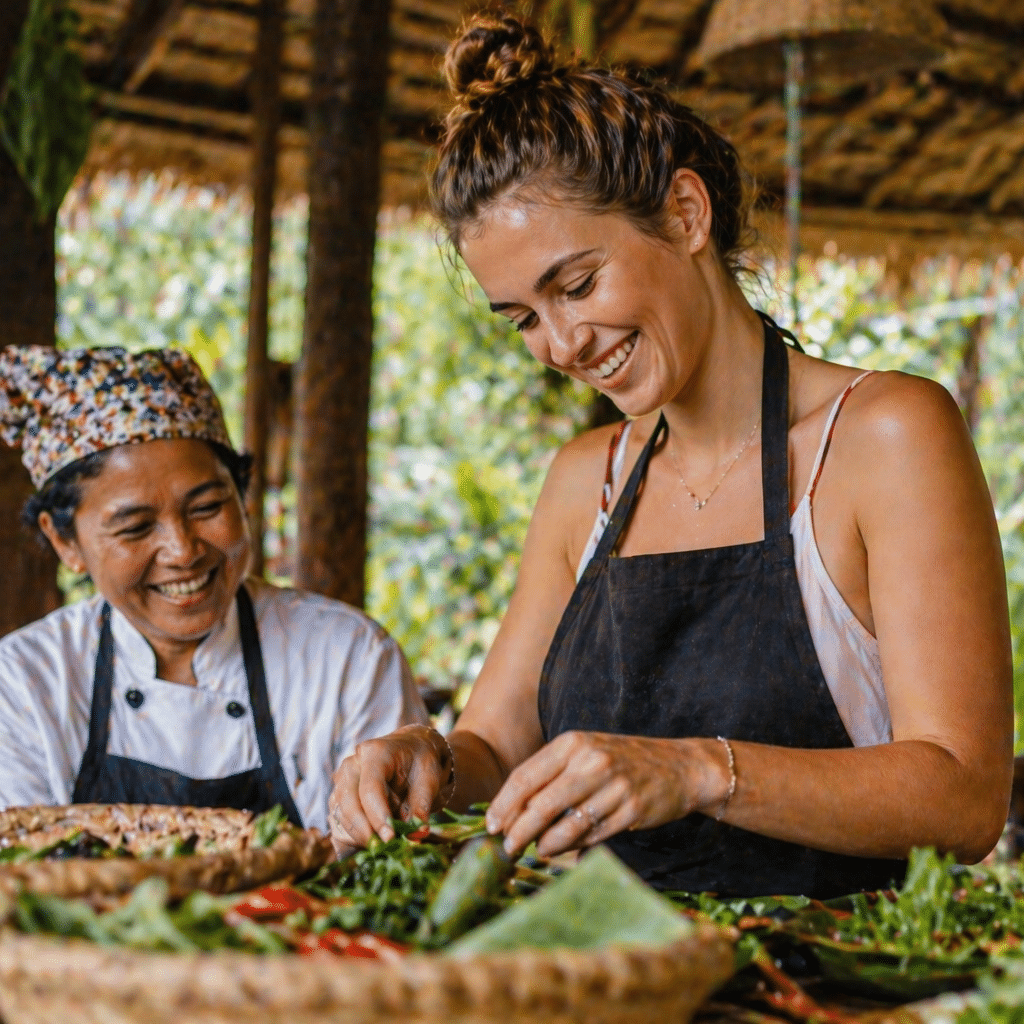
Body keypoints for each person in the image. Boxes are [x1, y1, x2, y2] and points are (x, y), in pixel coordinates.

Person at [327, 16, 1014, 897]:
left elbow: (963, 797)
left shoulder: (884, 434)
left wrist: (696, 771)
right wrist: (425, 759)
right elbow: (496, 743)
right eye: (524, 319)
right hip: (611, 972)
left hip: (838, 983)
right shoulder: (588, 480)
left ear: (686, 213)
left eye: (577, 285)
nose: (563, 343)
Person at [0, 345, 428, 833]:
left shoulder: (346, 656)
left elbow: (392, 864)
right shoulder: (24, 683)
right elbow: (24, 878)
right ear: (65, 541)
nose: (182, 551)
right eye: (135, 527)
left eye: (206, 507)